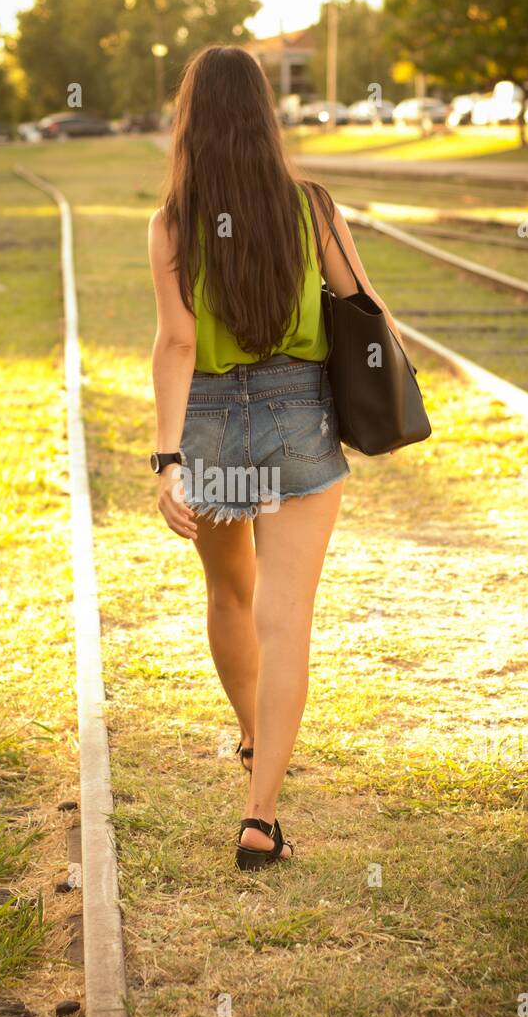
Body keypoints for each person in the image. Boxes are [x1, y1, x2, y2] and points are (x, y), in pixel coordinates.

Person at [147, 45, 404, 870]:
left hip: (213, 421)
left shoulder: (174, 224)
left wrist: (167, 460)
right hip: (298, 416)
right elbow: (367, 309)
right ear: (265, 115)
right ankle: (261, 819)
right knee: (286, 616)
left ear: (191, 120)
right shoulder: (313, 208)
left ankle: (257, 737)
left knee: (230, 593)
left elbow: (178, 343)